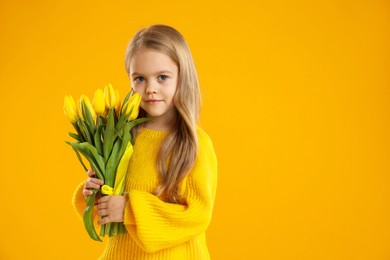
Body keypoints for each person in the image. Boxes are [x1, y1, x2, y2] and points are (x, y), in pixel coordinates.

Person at [72, 24, 218, 259]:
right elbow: (105, 216)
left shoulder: (194, 144)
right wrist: (96, 195)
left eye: (162, 77)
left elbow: (197, 215)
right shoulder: (121, 137)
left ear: (183, 77)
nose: (150, 88)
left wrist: (128, 209)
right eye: (140, 78)